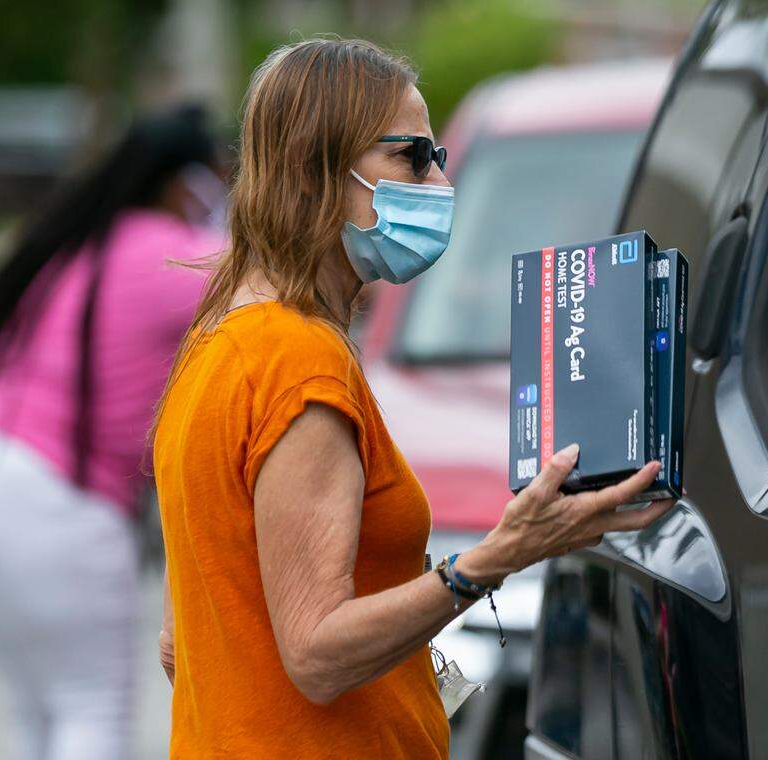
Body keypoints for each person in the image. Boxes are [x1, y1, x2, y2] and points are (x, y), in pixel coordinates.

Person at [150, 38, 675, 759]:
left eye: (440, 159)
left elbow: (188, 643)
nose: (436, 182)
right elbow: (317, 653)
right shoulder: (298, 360)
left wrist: (424, 688)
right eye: (411, 157)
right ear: (314, 168)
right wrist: (496, 558)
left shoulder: (222, 340)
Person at [0, 105, 225, 760]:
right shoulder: (178, 255)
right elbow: (280, 288)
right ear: (188, 182)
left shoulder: (73, 244)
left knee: (41, 711)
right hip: (56, 495)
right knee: (89, 708)